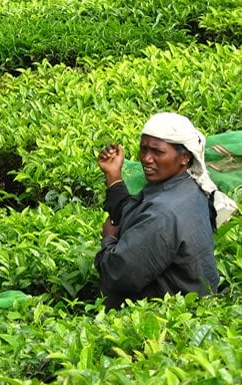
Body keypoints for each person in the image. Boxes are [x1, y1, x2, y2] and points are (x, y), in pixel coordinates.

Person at [95, 112, 238, 310]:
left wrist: (108, 240)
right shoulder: (187, 185)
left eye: (157, 152)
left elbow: (119, 275)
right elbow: (135, 215)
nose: (146, 158)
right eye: (143, 149)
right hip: (192, 301)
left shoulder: (164, 213)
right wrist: (113, 176)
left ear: (185, 157)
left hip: (168, 316)